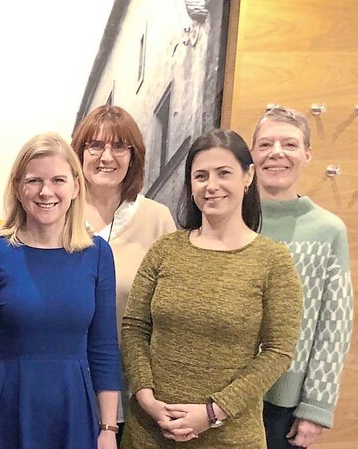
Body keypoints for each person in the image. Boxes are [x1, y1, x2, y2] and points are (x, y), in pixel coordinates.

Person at [120, 129, 303, 449]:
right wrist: (146, 397)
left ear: (248, 176)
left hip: (229, 437)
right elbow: (135, 327)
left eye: (224, 173)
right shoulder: (166, 249)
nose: (211, 185)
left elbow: (278, 352)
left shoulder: (273, 261)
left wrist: (213, 411)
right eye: (200, 175)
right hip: (150, 432)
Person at [0, 132, 121, 449]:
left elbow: (103, 348)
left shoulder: (98, 254)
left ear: (75, 186)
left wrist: (108, 430)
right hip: (7, 408)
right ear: (18, 188)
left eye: (58, 180)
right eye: (34, 181)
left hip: (74, 410)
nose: (46, 191)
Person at [250, 107, 353, 449]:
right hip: (220, 393)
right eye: (265, 144)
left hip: (284, 404)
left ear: (306, 154)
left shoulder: (327, 230)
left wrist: (316, 406)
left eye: (289, 144)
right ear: (252, 155)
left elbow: (334, 324)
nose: (276, 152)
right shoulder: (229, 221)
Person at [71, 105, 176, 441]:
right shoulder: (56, 213)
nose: (106, 156)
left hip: (136, 390)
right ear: (79, 152)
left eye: (119, 146)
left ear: (134, 156)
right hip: (67, 381)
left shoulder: (157, 219)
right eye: (95, 145)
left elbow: (169, 311)